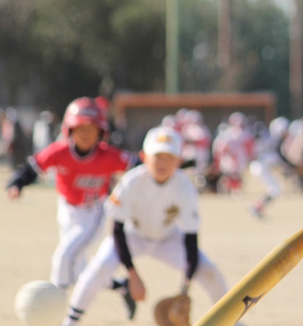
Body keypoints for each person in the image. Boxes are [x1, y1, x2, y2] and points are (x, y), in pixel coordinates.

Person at [62, 126, 230, 325]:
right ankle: (70, 322)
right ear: (144, 156)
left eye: (169, 157)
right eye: (157, 156)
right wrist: (132, 275)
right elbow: (117, 230)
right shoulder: (131, 182)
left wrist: (185, 287)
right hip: (132, 236)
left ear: (179, 161)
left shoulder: (185, 188)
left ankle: (233, 319)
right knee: (97, 268)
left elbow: (190, 237)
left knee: (209, 270)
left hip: (169, 239)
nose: (163, 162)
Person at [6, 97, 136, 293]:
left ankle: (55, 301)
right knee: (79, 269)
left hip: (94, 212)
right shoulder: (59, 152)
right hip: (66, 211)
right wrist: (16, 184)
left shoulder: (109, 155)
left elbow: (139, 165)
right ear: (69, 130)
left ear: (100, 132)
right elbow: (31, 168)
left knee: (64, 257)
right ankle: (120, 286)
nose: (85, 134)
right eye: (80, 129)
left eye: (90, 129)